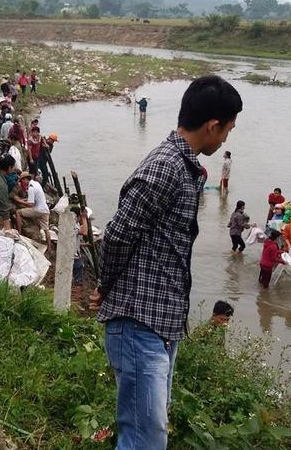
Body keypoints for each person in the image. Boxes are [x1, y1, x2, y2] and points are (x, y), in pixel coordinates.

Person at [89, 75, 242, 450]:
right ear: (212, 126)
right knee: (145, 438)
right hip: (139, 320)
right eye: (228, 130)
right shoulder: (165, 168)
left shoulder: (184, 167)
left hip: (159, 322)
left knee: (146, 430)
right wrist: (105, 288)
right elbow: (119, 235)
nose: (225, 139)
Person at [15, 172, 52, 251]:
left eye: (22, 181)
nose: (22, 183)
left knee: (18, 212)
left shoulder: (31, 188)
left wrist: (19, 201)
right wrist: (24, 200)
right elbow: (34, 198)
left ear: (25, 179)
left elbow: (31, 204)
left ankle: (19, 233)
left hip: (38, 210)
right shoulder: (36, 183)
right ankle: (49, 248)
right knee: (46, 230)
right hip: (45, 210)